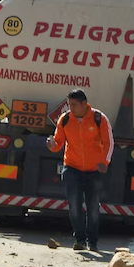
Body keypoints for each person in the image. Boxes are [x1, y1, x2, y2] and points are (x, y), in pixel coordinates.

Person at [46, 89, 113, 252]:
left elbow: (109, 142)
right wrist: (53, 146)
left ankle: (93, 242)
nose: (71, 108)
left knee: (92, 207)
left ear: (84, 104)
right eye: (70, 104)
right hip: (72, 168)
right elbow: (59, 143)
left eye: (74, 105)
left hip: (94, 170)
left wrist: (105, 162)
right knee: (74, 204)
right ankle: (80, 240)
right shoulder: (66, 119)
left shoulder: (99, 119)